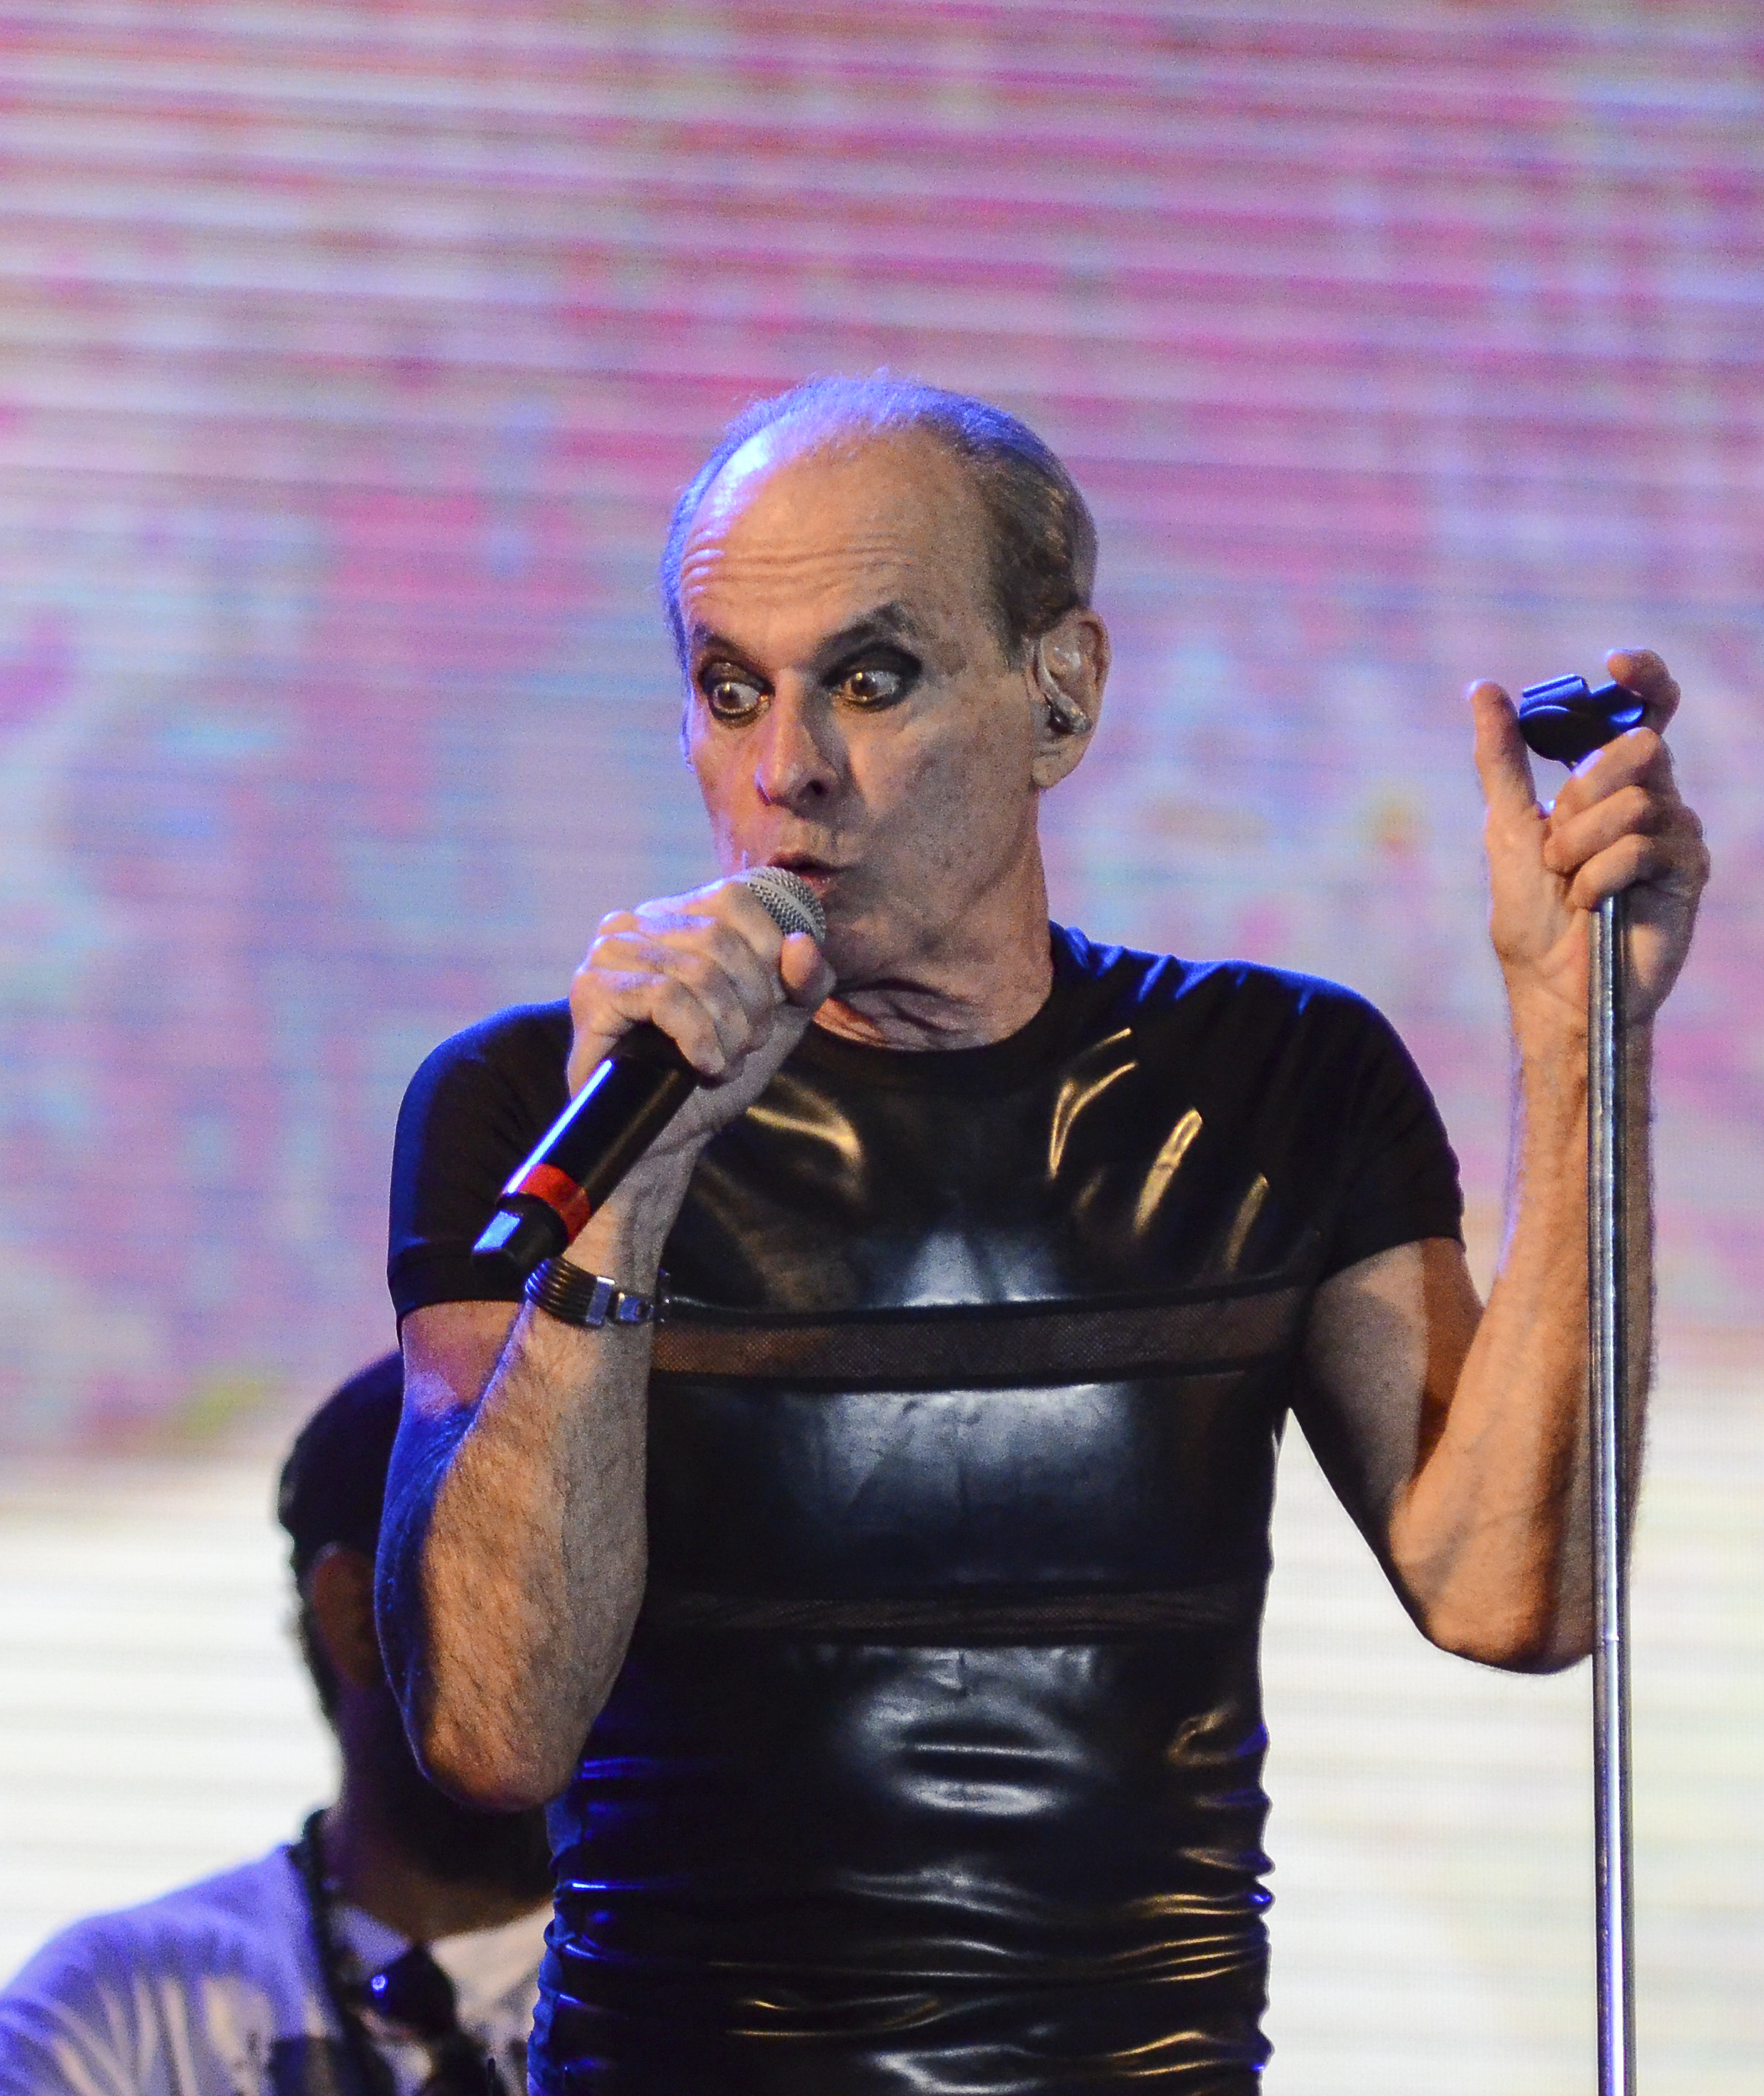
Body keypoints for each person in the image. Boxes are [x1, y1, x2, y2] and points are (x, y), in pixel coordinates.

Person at [377, 375, 1706, 2092]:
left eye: (870, 679)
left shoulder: (1274, 1080)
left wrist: (1577, 1037)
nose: (787, 770)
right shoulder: (535, 1108)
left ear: (1059, 692)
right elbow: (489, 1728)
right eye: (731, 689)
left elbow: (1516, 1589)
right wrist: (634, 1189)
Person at [0, 1354, 558, 2095]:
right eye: (547, 1595)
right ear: (358, 1619)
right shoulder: (118, 2009)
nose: (606, 1657)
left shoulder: (683, 1991)